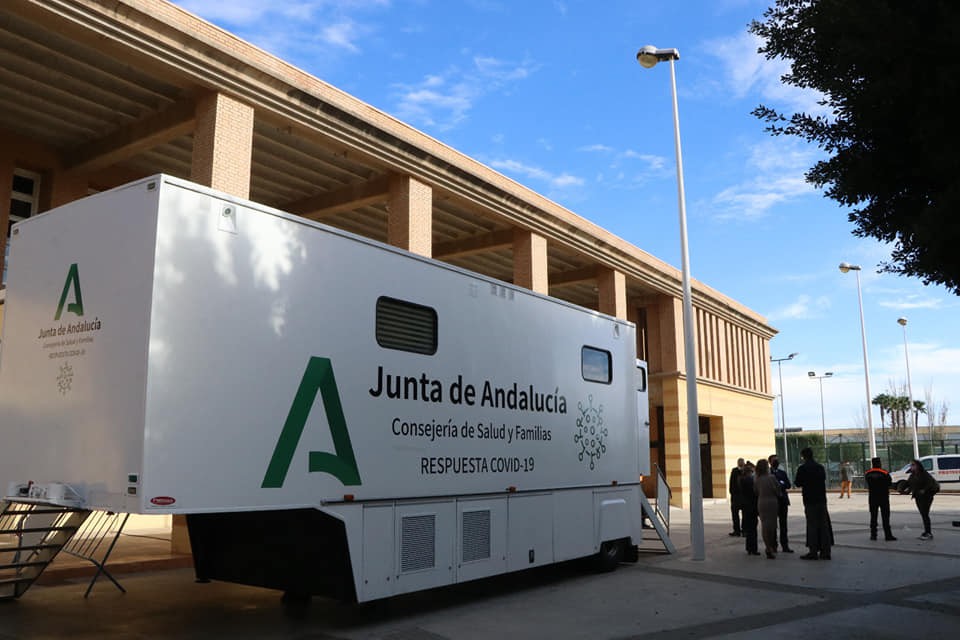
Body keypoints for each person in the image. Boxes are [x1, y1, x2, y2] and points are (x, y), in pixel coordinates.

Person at [794, 447, 832, 560]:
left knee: (812, 525)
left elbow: (797, 483)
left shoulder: (802, 468)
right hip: (821, 499)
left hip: (809, 500)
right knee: (824, 525)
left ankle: (813, 551)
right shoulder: (820, 467)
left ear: (803, 456)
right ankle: (826, 551)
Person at [864, 457, 896, 541]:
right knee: (885, 516)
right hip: (883, 497)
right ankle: (888, 535)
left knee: (873, 516)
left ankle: (873, 535)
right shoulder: (884, 473)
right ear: (879, 463)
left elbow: (867, 482)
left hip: (872, 497)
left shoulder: (868, 473)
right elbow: (889, 483)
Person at [755, 458, 781, 559]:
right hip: (772, 502)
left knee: (764, 525)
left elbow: (755, 491)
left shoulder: (757, 479)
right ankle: (771, 546)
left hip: (761, 502)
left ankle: (767, 547)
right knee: (772, 525)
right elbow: (778, 491)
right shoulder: (772, 478)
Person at [907, 459, 939, 540]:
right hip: (918, 497)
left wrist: (924, 490)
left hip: (927, 496)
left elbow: (930, 483)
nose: (911, 466)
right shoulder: (912, 475)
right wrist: (906, 491)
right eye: (911, 465)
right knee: (923, 514)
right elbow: (910, 485)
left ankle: (928, 533)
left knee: (925, 514)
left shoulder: (924, 474)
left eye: (913, 465)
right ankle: (927, 531)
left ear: (918, 466)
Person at [768, 454, 794, 553]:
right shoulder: (768, 473)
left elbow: (788, 485)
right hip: (773, 502)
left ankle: (785, 545)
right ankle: (773, 545)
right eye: (774, 460)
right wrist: (780, 483)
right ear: (770, 462)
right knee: (773, 525)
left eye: (777, 460)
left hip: (783, 501)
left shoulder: (782, 472)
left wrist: (780, 484)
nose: (776, 462)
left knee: (783, 525)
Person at [739, 461, 759, 555]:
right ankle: (753, 548)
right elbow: (755, 492)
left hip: (745, 505)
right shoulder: (751, 480)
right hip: (752, 505)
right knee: (753, 528)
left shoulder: (741, 479)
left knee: (748, 528)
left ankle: (749, 548)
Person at [728, 458, 745, 537]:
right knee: (735, 514)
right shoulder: (734, 471)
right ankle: (737, 530)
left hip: (744, 497)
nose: (741, 463)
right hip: (735, 497)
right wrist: (732, 493)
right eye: (740, 462)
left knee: (745, 514)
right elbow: (731, 483)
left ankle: (744, 529)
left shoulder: (746, 471)